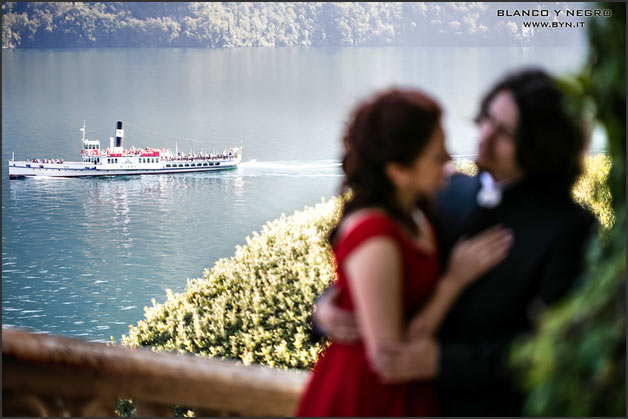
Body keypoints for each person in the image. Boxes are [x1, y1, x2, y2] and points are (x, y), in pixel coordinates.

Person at [311, 68, 596, 416]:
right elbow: (380, 271)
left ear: (540, 147)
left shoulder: (568, 227)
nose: (485, 136)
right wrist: (325, 308)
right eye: (487, 118)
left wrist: (442, 362)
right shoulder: (447, 192)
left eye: (505, 133)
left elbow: (554, 348)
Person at [296, 88, 513, 416]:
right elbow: (391, 358)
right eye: (437, 156)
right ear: (399, 171)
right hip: (370, 397)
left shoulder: (418, 209)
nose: (449, 163)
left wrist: (328, 303)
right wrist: (453, 282)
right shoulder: (375, 235)